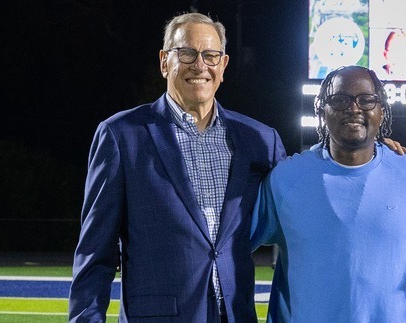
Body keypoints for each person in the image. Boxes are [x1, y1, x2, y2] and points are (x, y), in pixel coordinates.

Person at [69, 13, 286, 322]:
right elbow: (95, 255)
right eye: (186, 53)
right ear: (164, 61)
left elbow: (302, 207)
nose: (200, 65)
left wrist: (378, 156)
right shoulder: (121, 135)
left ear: (222, 66)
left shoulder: (260, 140)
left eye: (211, 55)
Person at [250, 66, 406, 322]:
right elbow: (228, 249)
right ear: (322, 110)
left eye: (366, 100)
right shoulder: (286, 179)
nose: (353, 108)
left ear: (381, 111)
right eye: (339, 100)